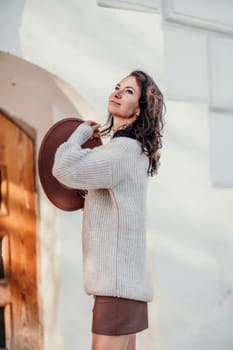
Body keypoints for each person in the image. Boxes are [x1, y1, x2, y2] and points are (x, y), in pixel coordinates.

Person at [52, 70, 165, 350]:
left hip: (115, 291)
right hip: (125, 289)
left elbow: (62, 169)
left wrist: (78, 134)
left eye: (128, 91)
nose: (117, 93)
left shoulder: (120, 152)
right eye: (117, 87)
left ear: (139, 110)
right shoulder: (127, 151)